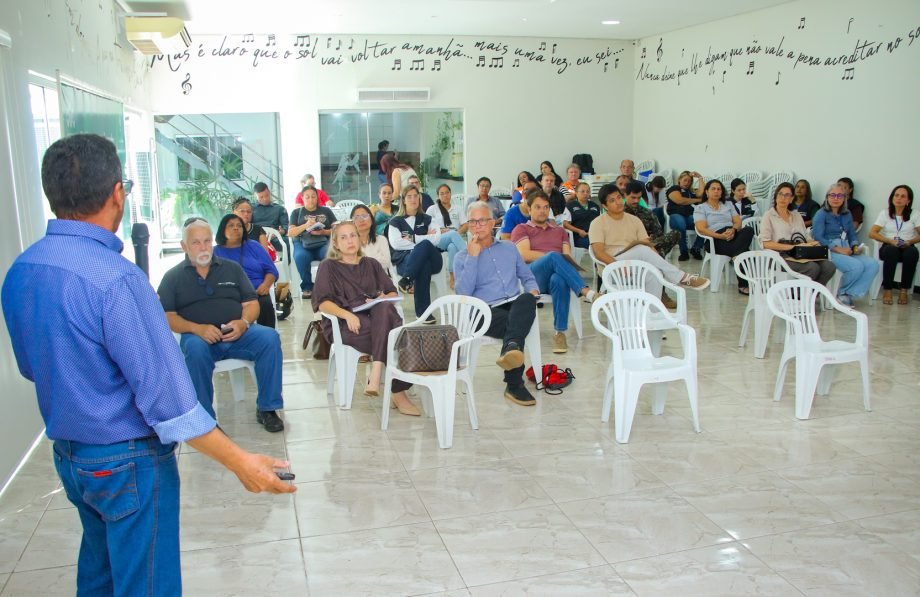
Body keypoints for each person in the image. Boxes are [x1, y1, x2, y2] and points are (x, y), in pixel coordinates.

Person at [1, 134, 293, 597]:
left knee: (99, 573)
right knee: (145, 584)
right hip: (128, 461)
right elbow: (170, 401)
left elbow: (33, 367)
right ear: (118, 192)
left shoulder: (23, 270)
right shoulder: (117, 281)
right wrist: (242, 463)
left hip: (72, 458)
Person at [159, 219, 286, 431]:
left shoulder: (232, 269)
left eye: (207, 241)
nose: (203, 247)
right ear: (184, 246)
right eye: (196, 242)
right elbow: (167, 316)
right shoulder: (173, 277)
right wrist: (196, 328)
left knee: (269, 338)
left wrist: (244, 322)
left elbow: (252, 303)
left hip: (237, 332)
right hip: (199, 336)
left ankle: (267, 408)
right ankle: (205, 420)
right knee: (195, 349)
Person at [313, 221, 421, 415]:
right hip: (345, 324)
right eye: (343, 237)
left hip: (375, 318)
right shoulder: (328, 266)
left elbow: (391, 292)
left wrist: (382, 298)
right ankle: (398, 392)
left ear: (359, 238)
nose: (349, 241)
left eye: (353, 235)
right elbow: (322, 303)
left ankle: (377, 370)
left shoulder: (371, 264)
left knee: (383, 309)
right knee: (396, 338)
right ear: (336, 243)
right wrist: (346, 314)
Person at [454, 202, 540, 407]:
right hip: (482, 312)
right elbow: (463, 294)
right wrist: (473, 258)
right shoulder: (461, 257)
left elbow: (527, 277)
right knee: (516, 326)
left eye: (482, 220)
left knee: (527, 299)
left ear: (492, 223)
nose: (477, 226)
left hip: (513, 304)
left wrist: (533, 289)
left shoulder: (509, 248)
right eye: (473, 222)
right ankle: (514, 381)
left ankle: (510, 353)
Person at [511, 190, 600, 353]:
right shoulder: (521, 228)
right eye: (537, 207)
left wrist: (557, 259)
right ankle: (586, 291)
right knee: (553, 257)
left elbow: (566, 257)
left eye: (545, 207)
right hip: (532, 277)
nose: (542, 211)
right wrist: (551, 257)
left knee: (559, 279)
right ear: (529, 209)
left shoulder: (559, 231)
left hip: (553, 277)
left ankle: (560, 333)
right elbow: (524, 255)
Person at [589, 184, 710, 296]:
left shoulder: (634, 220)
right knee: (641, 248)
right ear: (605, 206)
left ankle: (653, 314)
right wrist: (617, 265)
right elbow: (598, 252)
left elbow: (649, 246)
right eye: (612, 200)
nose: (618, 202)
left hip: (634, 267)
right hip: (611, 267)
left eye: (619, 197)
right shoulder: (597, 223)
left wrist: (658, 265)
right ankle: (682, 278)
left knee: (653, 273)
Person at [812, 184, 878, 305]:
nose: (836, 198)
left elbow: (852, 234)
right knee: (856, 266)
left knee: (872, 264)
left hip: (847, 248)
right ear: (827, 197)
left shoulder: (847, 214)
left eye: (839, 195)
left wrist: (855, 246)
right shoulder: (821, 214)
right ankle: (841, 293)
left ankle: (847, 293)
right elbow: (818, 237)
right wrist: (837, 249)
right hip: (829, 250)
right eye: (832, 195)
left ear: (844, 199)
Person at [760, 182, 837, 286]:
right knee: (812, 268)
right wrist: (791, 247)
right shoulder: (769, 215)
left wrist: (813, 243)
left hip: (800, 252)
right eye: (780, 194)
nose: (783, 198)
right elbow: (765, 243)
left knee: (829, 266)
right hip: (779, 256)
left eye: (787, 195)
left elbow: (805, 236)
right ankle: (797, 297)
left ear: (792, 198)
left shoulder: (796, 215)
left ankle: (810, 294)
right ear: (776, 196)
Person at [388, 185, 444, 322]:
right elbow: (396, 243)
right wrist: (425, 236)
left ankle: (407, 280)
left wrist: (414, 239)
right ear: (403, 200)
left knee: (425, 245)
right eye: (409, 196)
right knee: (422, 264)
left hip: (434, 260)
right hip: (405, 261)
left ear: (419, 198)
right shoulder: (395, 222)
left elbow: (436, 239)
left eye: (416, 196)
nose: (413, 199)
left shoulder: (428, 218)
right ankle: (423, 314)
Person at [214, 213, 279, 327]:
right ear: (222, 230)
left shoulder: (254, 246)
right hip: (229, 293)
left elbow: (272, 270)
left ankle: (267, 338)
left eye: (239, 226)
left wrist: (265, 285)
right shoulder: (214, 252)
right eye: (231, 225)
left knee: (265, 304)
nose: (236, 228)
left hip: (257, 291)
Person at [693, 180, 755, 295]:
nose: (716, 191)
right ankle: (743, 283)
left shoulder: (728, 204)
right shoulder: (701, 208)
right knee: (743, 251)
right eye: (713, 189)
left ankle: (736, 255)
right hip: (714, 239)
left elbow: (738, 222)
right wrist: (719, 236)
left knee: (749, 230)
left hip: (732, 234)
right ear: (706, 192)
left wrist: (733, 229)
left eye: (719, 189)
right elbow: (701, 228)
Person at [868, 184, 919, 305]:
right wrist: (890, 241)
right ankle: (888, 289)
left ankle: (904, 290)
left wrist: (910, 242)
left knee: (912, 253)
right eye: (896, 195)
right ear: (892, 198)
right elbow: (872, 233)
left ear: (908, 200)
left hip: (907, 246)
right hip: (888, 246)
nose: (899, 198)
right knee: (892, 251)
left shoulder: (914, 214)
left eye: (903, 196)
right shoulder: (885, 213)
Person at [288, 185, 336, 299]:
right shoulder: (296, 212)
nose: (310, 200)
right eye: (307, 197)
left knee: (329, 255)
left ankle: (326, 286)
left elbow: (337, 229)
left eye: (313, 197)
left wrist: (323, 232)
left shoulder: (326, 210)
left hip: (323, 241)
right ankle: (307, 287)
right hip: (302, 243)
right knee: (301, 257)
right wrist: (305, 225)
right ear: (302, 198)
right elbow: (290, 233)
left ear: (317, 197)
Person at [424, 184, 468, 288]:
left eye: (447, 193)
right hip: (438, 239)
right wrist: (440, 230)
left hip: (454, 237)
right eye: (442, 193)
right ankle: (469, 256)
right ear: (438, 195)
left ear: (451, 193)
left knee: (452, 246)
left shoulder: (457, 208)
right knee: (452, 234)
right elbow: (426, 228)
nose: (445, 195)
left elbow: (466, 225)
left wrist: (457, 232)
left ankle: (453, 278)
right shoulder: (432, 209)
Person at [624, 181, 679, 258]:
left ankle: (654, 256)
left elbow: (659, 232)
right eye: (633, 197)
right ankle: (656, 258)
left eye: (639, 198)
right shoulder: (620, 213)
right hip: (630, 245)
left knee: (675, 234)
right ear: (625, 195)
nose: (636, 201)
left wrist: (651, 238)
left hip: (650, 243)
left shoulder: (647, 212)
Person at [666, 170, 705, 261]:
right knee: (680, 223)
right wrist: (697, 200)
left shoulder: (691, 192)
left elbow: (701, 194)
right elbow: (679, 200)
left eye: (689, 181)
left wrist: (699, 177)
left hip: (689, 217)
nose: (687, 183)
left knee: (704, 223)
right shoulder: (674, 188)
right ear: (679, 180)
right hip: (676, 215)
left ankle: (696, 248)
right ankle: (683, 252)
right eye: (685, 180)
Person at [252, 181, 290, 260]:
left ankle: (286, 267)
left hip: (275, 238)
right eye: (261, 197)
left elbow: (286, 227)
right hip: (256, 239)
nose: (265, 199)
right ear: (255, 196)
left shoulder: (280, 209)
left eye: (266, 195)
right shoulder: (251, 209)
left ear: (269, 192)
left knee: (289, 242)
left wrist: (280, 232)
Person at [352, 203, 394, 275]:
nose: (361, 220)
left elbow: (386, 263)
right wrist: (376, 258)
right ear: (352, 222)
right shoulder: (350, 243)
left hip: (381, 280)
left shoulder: (381, 239)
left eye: (364, 216)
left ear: (371, 219)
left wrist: (362, 260)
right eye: (357, 217)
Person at [566, 181, 601, 249]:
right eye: (582, 191)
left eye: (588, 191)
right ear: (576, 193)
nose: (585, 193)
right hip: (578, 236)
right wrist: (579, 231)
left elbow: (599, 222)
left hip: (594, 235)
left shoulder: (595, 206)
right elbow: (565, 224)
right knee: (592, 244)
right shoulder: (570, 205)